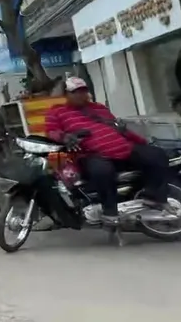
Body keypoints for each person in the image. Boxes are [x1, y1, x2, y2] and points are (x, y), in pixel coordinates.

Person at [45, 77, 171, 225]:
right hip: (92, 154)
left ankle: (154, 196)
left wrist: (141, 141)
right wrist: (65, 137)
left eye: (83, 91)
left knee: (157, 155)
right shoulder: (57, 111)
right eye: (75, 92)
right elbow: (51, 131)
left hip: (123, 148)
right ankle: (110, 211)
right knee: (102, 172)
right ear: (66, 94)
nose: (80, 95)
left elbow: (119, 129)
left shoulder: (99, 108)